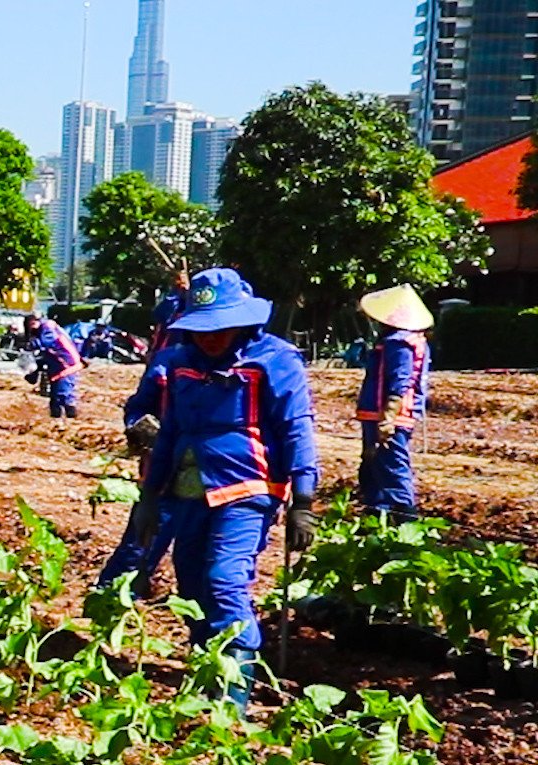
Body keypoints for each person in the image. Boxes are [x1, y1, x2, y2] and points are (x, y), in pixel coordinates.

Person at [132, 268, 318, 707]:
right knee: (191, 583)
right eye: (202, 328)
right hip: (189, 488)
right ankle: (206, 669)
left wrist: (303, 498)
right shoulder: (180, 364)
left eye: (219, 327)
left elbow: (296, 429)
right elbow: (171, 431)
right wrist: (149, 495)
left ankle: (233, 692)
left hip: (247, 488)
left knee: (224, 580)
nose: (210, 338)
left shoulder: (273, 360)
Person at [93, 354, 175, 595]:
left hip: (225, 482)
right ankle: (111, 600)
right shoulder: (169, 362)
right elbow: (139, 406)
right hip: (164, 476)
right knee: (140, 544)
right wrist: (141, 427)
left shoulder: (259, 363)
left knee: (213, 567)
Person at [355, 285, 435, 517]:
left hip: (390, 416)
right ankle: (377, 520)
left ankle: (404, 523)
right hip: (379, 415)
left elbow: (399, 380)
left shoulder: (400, 343)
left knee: (392, 469)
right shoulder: (400, 340)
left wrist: (388, 418)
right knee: (374, 469)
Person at [24, 312, 86, 419]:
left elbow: (47, 341)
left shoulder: (47, 327)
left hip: (67, 363)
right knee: (54, 398)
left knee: (64, 394)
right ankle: (55, 421)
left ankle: (71, 422)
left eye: (32, 323)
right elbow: (44, 355)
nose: (31, 327)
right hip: (56, 364)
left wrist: (32, 344)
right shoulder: (40, 332)